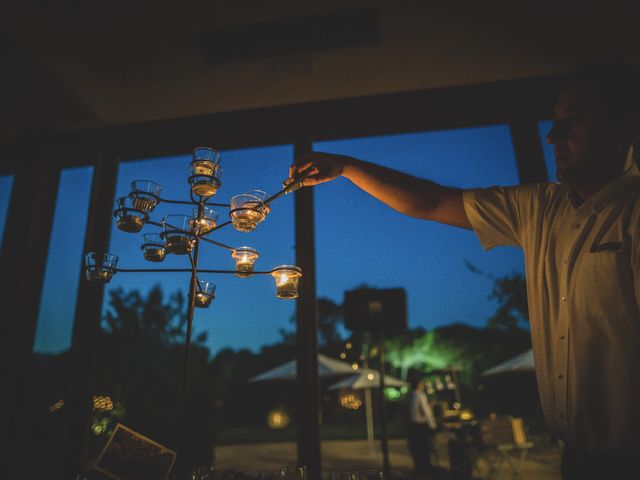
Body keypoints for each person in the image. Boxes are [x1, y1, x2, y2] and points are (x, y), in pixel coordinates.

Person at [287, 61, 640, 480]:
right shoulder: (541, 207)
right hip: (576, 460)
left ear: (623, 127)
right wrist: (346, 167)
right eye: (555, 122)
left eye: (574, 122)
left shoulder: (632, 213)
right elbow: (431, 202)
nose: (553, 136)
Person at [407, 377, 438, 476]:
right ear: (419, 385)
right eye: (423, 384)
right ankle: (425, 470)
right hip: (421, 426)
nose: (424, 386)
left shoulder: (411, 395)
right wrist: (432, 424)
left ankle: (419, 469)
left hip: (413, 426)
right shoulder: (421, 395)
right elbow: (426, 411)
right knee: (424, 449)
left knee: (417, 449)